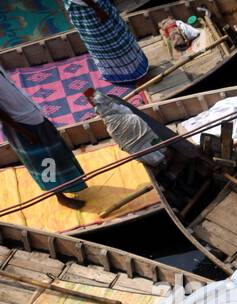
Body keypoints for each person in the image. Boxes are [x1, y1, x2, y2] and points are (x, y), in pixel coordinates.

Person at [0, 69, 87, 208]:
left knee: (57, 153)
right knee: (43, 162)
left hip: (34, 115)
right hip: (21, 124)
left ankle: (69, 185)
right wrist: (23, 131)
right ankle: (60, 196)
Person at [65, 0, 150, 86]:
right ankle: (136, 77)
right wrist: (98, 10)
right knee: (114, 44)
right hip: (91, 9)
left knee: (112, 40)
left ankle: (132, 74)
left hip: (90, 7)